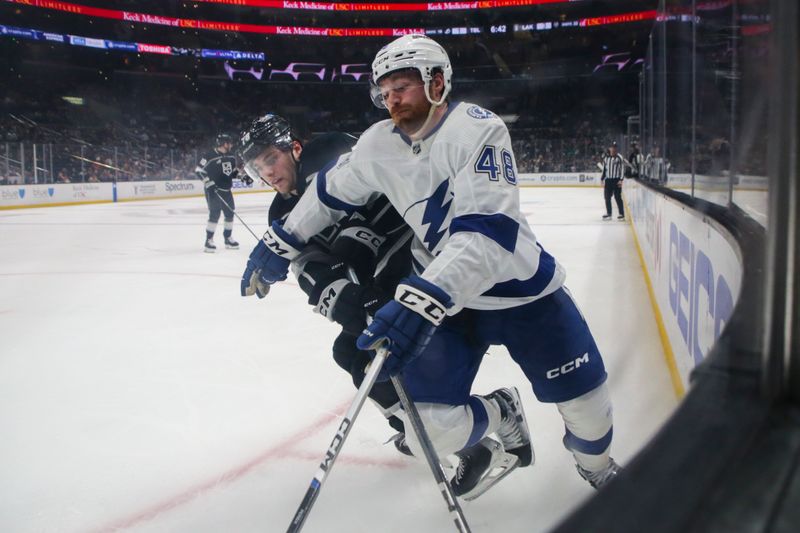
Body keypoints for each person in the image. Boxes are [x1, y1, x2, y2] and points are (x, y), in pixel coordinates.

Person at [242, 34, 618, 491]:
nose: (392, 99)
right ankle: (501, 412)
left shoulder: (477, 128)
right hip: (450, 304)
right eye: (385, 90)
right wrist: (281, 240)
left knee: (590, 415)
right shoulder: (378, 142)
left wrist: (419, 300)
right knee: (426, 433)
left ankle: (596, 467)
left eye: (403, 86)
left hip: (523, 295)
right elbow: (327, 193)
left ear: (438, 82)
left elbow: (488, 235)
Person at [238, 113, 518, 499]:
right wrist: (338, 293)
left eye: (271, 158)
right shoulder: (279, 213)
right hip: (380, 274)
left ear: (295, 148)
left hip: (419, 254)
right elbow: (310, 265)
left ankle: (497, 410)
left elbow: (383, 208)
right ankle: (434, 434)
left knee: (388, 348)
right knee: (351, 351)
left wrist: (354, 264)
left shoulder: (329, 150)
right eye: (258, 167)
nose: (267, 171)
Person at [195, 133, 248, 253]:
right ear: (224, 143)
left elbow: (232, 172)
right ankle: (208, 241)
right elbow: (198, 170)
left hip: (226, 190)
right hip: (214, 191)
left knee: (229, 214)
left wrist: (242, 177)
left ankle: (228, 238)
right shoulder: (209, 155)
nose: (231, 145)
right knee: (215, 214)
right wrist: (208, 183)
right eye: (229, 143)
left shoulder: (230, 156)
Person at [600, 142, 629, 220]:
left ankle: (621, 214)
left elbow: (622, 169)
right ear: (609, 149)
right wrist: (602, 179)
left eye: (615, 148)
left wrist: (621, 180)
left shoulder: (619, 158)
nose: (613, 149)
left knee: (617, 197)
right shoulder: (606, 158)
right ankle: (609, 214)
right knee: (607, 197)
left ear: (616, 149)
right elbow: (604, 170)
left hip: (616, 180)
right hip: (608, 180)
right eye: (612, 147)